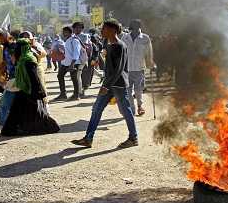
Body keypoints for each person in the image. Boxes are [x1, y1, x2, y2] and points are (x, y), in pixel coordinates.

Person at [71, 19, 139, 148]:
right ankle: (88, 138)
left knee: (126, 111)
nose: (101, 31)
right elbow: (109, 67)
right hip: (109, 83)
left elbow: (118, 70)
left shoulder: (120, 45)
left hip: (118, 85)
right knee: (96, 109)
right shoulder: (108, 44)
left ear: (113, 30)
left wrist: (106, 86)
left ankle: (133, 138)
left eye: (104, 29)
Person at [0, 38, 60, 137]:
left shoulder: (28, 60)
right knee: (19, 111)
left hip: (31, 90)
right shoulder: (21, 59)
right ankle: (13, 130)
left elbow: (34, 77)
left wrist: (40, 92)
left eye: (19, 47)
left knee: (37, 111)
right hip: (23, 89)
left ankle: (48, 127)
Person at [121, 19, 154, 116]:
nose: (134, 30)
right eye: (133, 28)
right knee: (128, 90)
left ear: (139, 27)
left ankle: (140, 105)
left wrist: (151, 64)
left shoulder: (145, 38)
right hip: (126, 69)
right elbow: (121, 52)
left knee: (138, 90)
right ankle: (132, 108)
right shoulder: (125, 38)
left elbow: (149, 53)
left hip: (139, 69)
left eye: (136, 27)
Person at [54, 26, 84, 101]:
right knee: (60, 75)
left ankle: (76, 95)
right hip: (65, 62)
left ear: (69, 32)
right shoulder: (67, 40)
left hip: (74, 63)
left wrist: (72, 64)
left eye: (65, 32)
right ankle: (63, 94)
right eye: (63, 32)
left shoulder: (74, 40)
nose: (63, 33)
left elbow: (76, 53)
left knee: (74, 79)